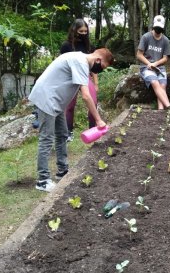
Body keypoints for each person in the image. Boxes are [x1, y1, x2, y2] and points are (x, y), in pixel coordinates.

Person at [29, 48, 114, 192]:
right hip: (47, 98)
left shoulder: (80, 60)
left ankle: (62, 170)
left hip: (56, 102)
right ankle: (43, 180)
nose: (100, 70)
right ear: (98, 60)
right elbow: (86, 96)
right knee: (46, 139)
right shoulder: (80, 62)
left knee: (62, 134)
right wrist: (98, 120)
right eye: (103, 67)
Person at [60, 19, 98, 142]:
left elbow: (94, 67)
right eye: (81, 31)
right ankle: (68, 132)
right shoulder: (66, 45)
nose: (83, 33)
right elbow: (62, 65)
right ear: (74, 30)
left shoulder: (89, 46)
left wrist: (96, 83)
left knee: (93, 101)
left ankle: (93, 130)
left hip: (84, 76)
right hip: (70, 77)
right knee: (69, 106)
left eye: (85, 31)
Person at [137, 15, 170, 110]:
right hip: (146, 67)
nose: (158, 29)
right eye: (156, 27)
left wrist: (155, 64)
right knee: (154, 82)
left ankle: (161, 109)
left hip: (159, 67)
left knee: (163, 85)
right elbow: (139, 54)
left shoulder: (165, 40)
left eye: (160, 28)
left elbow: (165, 58)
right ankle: (168, 106)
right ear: (153, 26)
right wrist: (149, 63)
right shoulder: (146, 37)